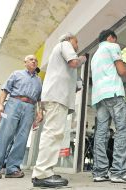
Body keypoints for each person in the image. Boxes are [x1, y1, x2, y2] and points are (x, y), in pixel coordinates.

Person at [31, 33, 86, 188]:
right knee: (53, 133)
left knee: (55, 134)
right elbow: (74, 62)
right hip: (56, 97)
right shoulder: (64, 45)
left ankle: (46, 171)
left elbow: (75, 84)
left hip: (58, 98)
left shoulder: (61, 58)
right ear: (69, 40)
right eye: (76, 41)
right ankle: (42, 174)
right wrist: (82, 59)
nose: (77, 45)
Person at [91, 29, 126, 184]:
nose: (115, 41)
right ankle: (119, 172)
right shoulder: (112, 46)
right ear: (110, 37)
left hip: (99, 97)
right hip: (113, 93)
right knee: (122, 130)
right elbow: (121, 71)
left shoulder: (95, 56)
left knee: (101, 134)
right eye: (115, 39)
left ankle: (100, 172)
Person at [0, 55, 43, 179]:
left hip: (30, 107)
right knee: (4, 135)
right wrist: (1, 105)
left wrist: (40, 112)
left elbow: (40, 99)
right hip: (13, 103)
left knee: (22, 138)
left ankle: (12, 168)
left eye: (36, 60)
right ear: (25, 62)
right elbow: (5, 90)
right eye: (31, 59)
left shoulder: (39, 80)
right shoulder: (16, 74)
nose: (34, 61)